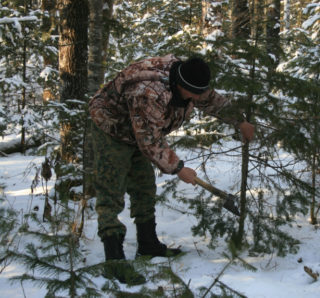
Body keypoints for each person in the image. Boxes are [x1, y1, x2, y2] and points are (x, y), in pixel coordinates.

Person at [89, 54, 254, 284]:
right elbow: (149, 141)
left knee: (144, 187)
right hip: (112, 127)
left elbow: (210, 99)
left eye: (199, 93)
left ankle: (148, 245)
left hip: (140, 129)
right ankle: (114, 261)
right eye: (193, 94)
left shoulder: (188, 79)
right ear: (180, 85)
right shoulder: (149, 92)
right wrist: (178, 168)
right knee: (111, 192)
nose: (197, 99)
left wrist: (239, 121)